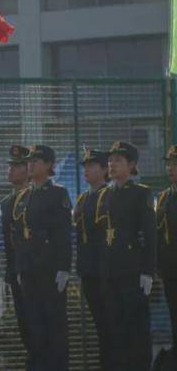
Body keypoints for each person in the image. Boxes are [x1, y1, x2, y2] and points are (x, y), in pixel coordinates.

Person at [10, 145, 71, 371]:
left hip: (49, 269)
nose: (31, 164)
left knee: (54, 325)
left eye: (37, 160)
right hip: (29, 269)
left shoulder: (57, 193)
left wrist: (64, 267)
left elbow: (63, 233)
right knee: (34, 325)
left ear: (49, 165)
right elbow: (18, 234)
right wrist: (19, 266)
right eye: (30, 160)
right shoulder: (24, 196)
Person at [95, 141, 154, 371]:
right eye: (110, 161)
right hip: (110, 272)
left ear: (131, 165)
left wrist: (147, 271)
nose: (111, 164)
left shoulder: (141, 193)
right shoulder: (105, 194)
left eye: (118, 160)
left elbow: (149, 236)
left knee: (136, 329)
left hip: (132, 271)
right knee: (115, 329)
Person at [73, 148, 111, 369]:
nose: (86, 170)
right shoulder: (83, 198)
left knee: (111, 323)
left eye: (92, 166)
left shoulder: (110, 195)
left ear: (105, 169)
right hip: (88, 269)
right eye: (85, 166)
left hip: (106, 269)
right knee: (100, 323)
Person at [0, 145, 32, 370]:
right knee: (25, 326)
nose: (11, 170)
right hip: (16, 272)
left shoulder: (36, 197)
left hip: (36, 272)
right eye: (9, 165)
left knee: (40, 325)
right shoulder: (6, 203)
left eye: (17, 165)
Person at [157, 145, 177, 350]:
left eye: (175, 164)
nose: (170, 168)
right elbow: (158, 234)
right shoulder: (163, 197)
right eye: (169, 164)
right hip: (171, 271)